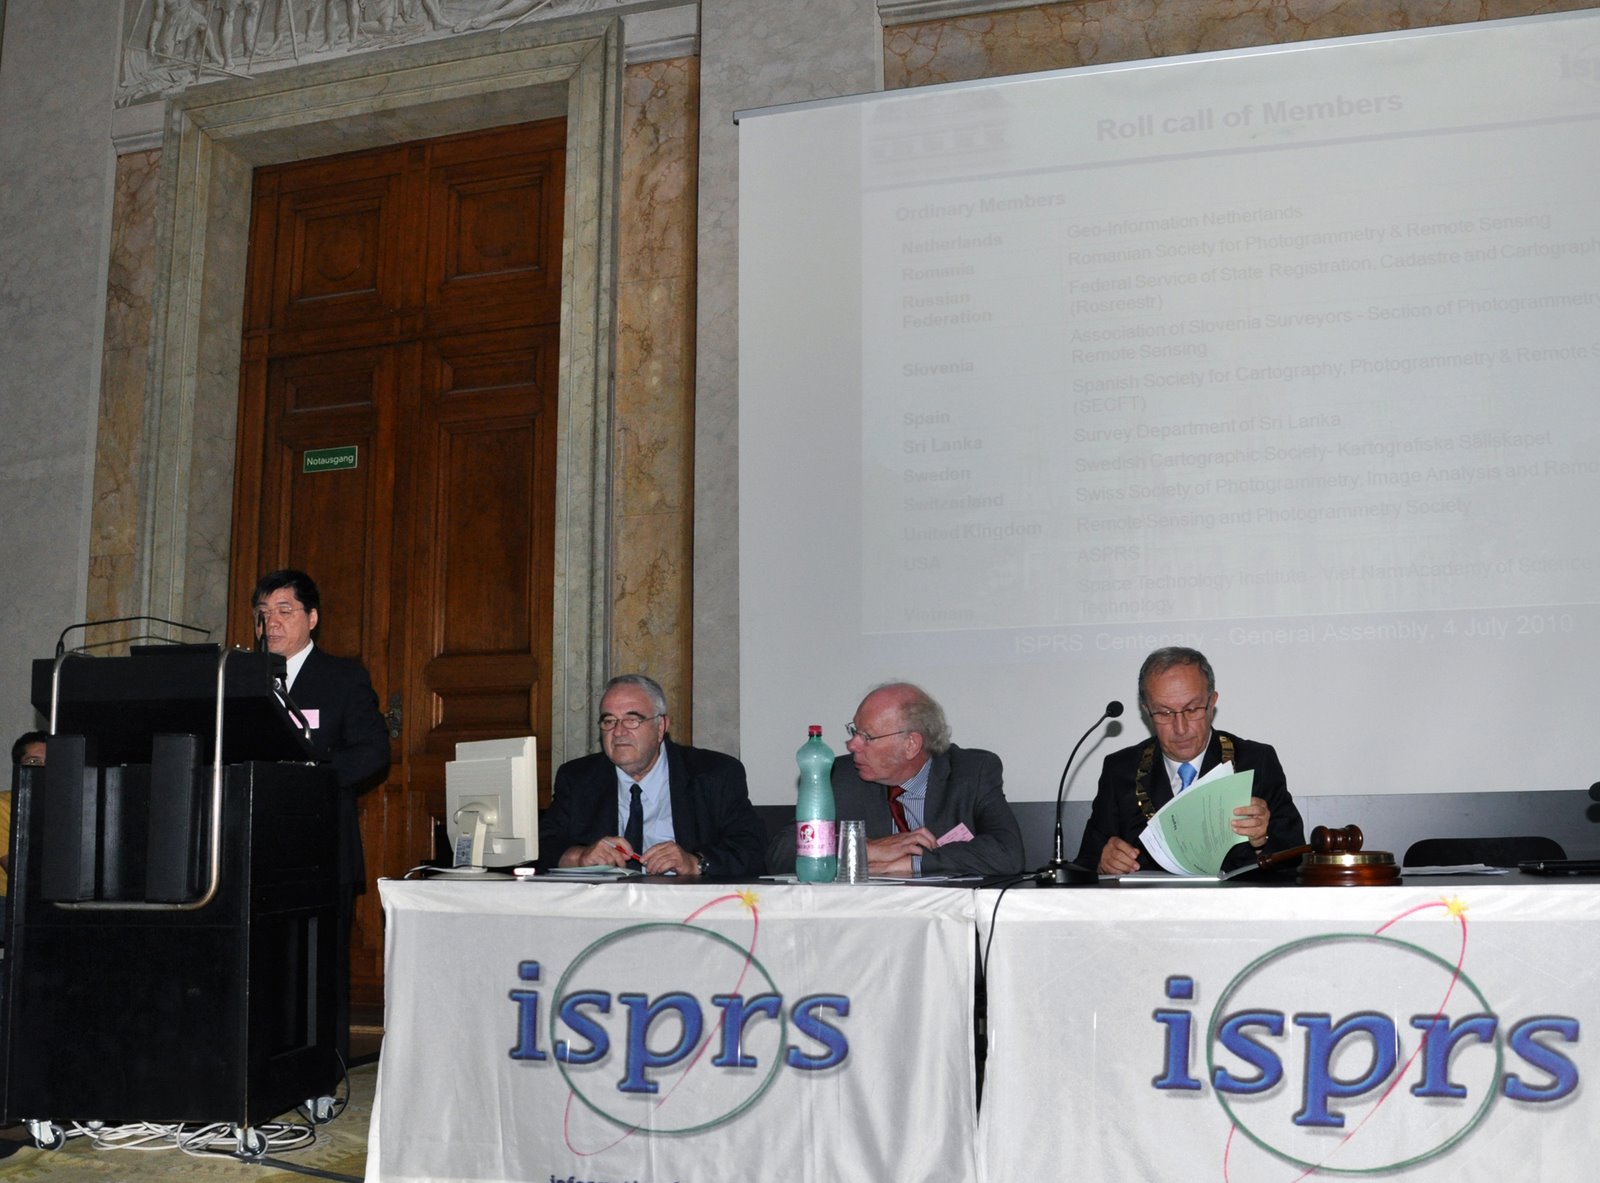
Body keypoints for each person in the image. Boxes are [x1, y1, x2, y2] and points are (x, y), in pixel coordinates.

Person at [253, 569, 390, 1058]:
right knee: (260, 969)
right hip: (254, 849)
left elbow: (373, 752)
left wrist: (310, 774)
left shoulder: (343, 678)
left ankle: (321, 1072)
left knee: (318, 972)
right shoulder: (242, 677)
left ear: (312, 618)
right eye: (263, 614)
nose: (271, 623)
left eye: (284, 611)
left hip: (321, 848)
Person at [1076, 646, 1305, 875]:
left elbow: (1295, 860)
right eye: (1164, 713)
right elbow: (1084, 863)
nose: (1180, 728)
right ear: (1146, 710)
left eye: (1192, 709)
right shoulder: (1120, 769)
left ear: (1212, 703)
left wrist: (1262, 841)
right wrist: (1102, 863)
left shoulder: (1256, 762)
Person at [767, 682, 1025, 877]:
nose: (852, 745)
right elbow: (781, 853)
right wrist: (865, 849)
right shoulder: (840, 775)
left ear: (911, 744)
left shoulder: (972, 771)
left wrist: (911, 863)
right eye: (854, 731)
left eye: (867, 737)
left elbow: (1007, 854)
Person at [539, 674, 766, 877]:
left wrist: (694, 863)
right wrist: (580, 857)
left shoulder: (714, 774)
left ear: (661, 727)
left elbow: (751, 849)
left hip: (687, 902)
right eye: (609, 721)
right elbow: (541, 845)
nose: (618, 732)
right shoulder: (578, 778)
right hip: (605, 903)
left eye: (632, 720)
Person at [4, 732, 47, 895]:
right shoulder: (4, 805)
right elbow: (21, 874)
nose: (43, 768)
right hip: (7, 898)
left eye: (51, 762)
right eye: (34, 762)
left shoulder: (70, 806)